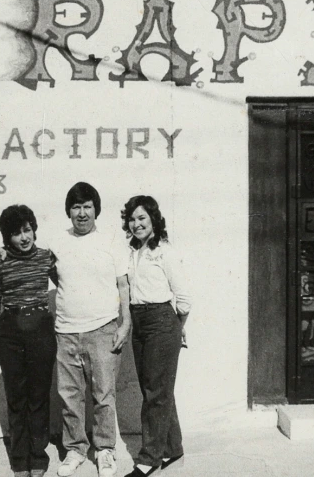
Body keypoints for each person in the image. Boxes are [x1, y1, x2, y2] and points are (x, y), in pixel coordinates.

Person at [0, 182, 131, 477]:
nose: (82, 213)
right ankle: (75, 449)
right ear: (69, 211)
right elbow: (29, 262)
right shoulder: (57, 243)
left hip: (102, 326)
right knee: (70, 396)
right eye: (76, 207)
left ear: (96, 209)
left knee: (103, 394)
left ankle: (105, 450)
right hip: (65, 329)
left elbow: (123, 285)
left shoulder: (111, 239)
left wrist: (125, 322)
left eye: (87, 207)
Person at [120, 196, 189, 477]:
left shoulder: (166, 252)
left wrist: (177, 324)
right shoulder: (131, 251)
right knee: (156, 388)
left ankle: (150, 459)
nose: (136, 224)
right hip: (139, 322)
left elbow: (184, 299)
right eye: (132, 219)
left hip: (161, 321)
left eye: (142, 219)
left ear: (154, 220)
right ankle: (173, 448)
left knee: (155, 393)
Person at [0, 205, 58, 477]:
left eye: (27, 230)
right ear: (7, 238)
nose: (24, 238)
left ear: (34, 230)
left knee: (39, 397)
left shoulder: (45, 258)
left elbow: (69, 280)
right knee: (16, 399)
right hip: (10, 332)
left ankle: (38, 458)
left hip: (40, 328)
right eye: (16, 233)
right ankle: (19, 461)